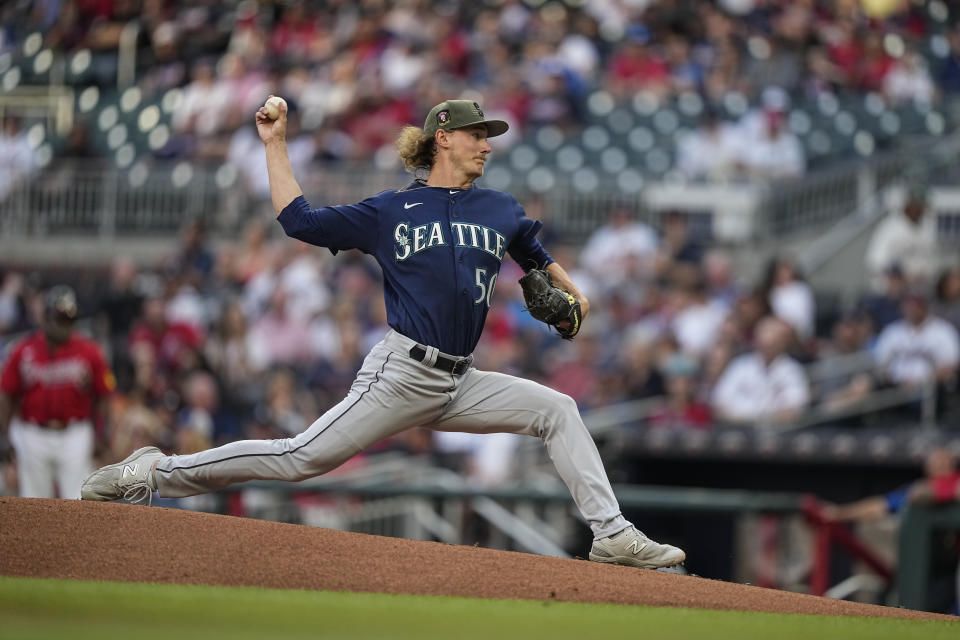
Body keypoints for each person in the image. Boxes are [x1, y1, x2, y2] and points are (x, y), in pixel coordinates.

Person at [82, 98, 685, 570]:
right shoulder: (391, 211)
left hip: (461, 380)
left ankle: (612, 535)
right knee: (299, 459)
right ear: (443, 136)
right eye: (478, 134)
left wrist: (574, 301)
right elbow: (299, 221)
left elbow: (537, 255)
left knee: (558, 409)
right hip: (402, 372)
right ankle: (152, 473)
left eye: (490, 137)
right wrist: (276, 144)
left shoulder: (500, 208)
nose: (486, 146)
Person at [0, 286, 115, 499]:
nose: (65, 323)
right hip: (32, 432)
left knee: (78, 497)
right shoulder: (23, 350)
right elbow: (7, 394)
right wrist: (5, 435)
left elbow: (104, 394)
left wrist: (102, 432)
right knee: (34, 500)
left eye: (69, 318)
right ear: (45, 317)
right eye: (60, 316)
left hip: (74, 432)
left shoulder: (89, 351)